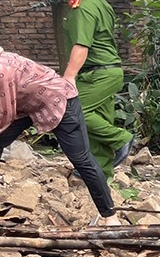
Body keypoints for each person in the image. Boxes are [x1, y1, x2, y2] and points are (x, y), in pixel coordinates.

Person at [0, 47, 121, 226]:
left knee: (82, 159)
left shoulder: (3, 71)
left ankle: (110, 217)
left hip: (60, 99)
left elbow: (4, 114)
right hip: (29, 106)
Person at [55, 0, 134, 178]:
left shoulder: (82, 8)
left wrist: (68, 77)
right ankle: (101, 171)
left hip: (98, 72)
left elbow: (82, 45)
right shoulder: (101, 3)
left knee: (70, 112)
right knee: (101, 117)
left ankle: (122, 138)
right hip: (108, 71)